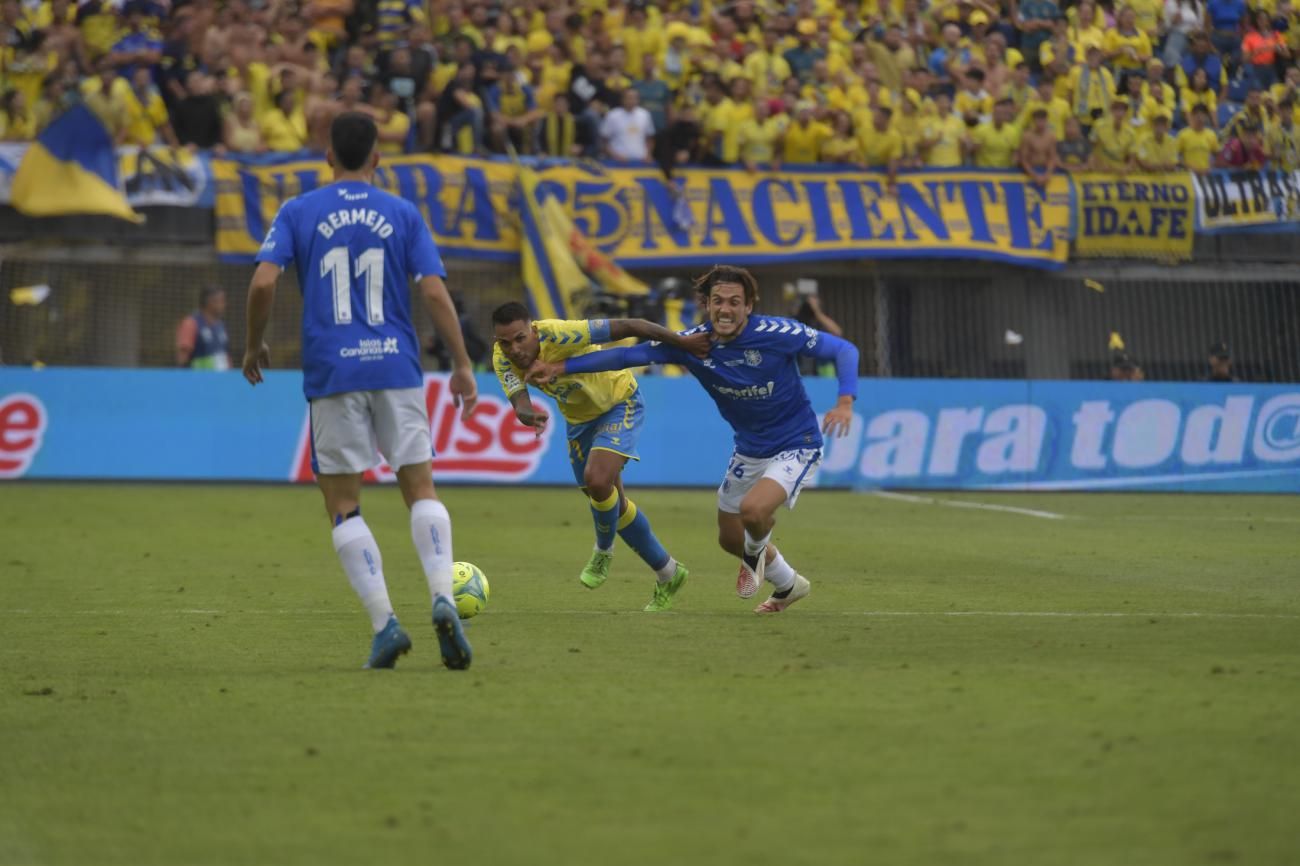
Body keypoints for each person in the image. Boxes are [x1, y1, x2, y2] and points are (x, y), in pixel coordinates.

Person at [241, 112, 476, 672]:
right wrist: (463, 362)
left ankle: (385, 624)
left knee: (344, 504)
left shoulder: (299, 211)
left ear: (327, 156)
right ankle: (443, 595)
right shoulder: (402, 212)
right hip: (396, 367)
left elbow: (263, 281)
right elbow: (436, 293)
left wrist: (254, 345)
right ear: (378, 157)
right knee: (420, 487)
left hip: (333, 372)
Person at [528, 266, 860, 615]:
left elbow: (844, 350)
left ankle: (754, 555)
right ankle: (789, 583)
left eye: (735, 302)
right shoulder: (692, 344)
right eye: (718, 301)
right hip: (749, 450)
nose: (725, 309)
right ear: (706, 304)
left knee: (754, 512)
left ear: (749, 307)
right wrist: (561, 368)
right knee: (728, 538)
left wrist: (845, 401)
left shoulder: (778, 333)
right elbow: (628, 355)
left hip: (797, 441)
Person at [489, 302, 707, 611]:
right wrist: (527, 415)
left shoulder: (562, 334)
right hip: (579, 423)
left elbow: (632, 325)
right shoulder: (502, 358)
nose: (513, 348)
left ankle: (602, 551)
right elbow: (519, 401)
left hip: (620, 402)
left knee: (597, 480)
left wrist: (681, 340)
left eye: (520, 338)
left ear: (533, 329)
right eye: (504, 342)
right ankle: (669, 572)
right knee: (609, 503)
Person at [175, 287, 230, 370]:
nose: (225, 304)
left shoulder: (221, 325)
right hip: (199, 379)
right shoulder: (191, 323)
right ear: (210, 302)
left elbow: (225, 354)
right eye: (221, 301)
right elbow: (183, 356)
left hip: (220, 379)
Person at [1018, 107, 1058, 184]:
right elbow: (1023, 159)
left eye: (1043, 120)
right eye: (1038, 120)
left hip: (1045, 170)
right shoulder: (1027, 136)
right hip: (1030, 171)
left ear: (1046, 121)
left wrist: (1048, 174)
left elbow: (1052, 157)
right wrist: (1034, 175)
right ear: (1033, 121)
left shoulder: (1051, 136)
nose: (1040, 123)